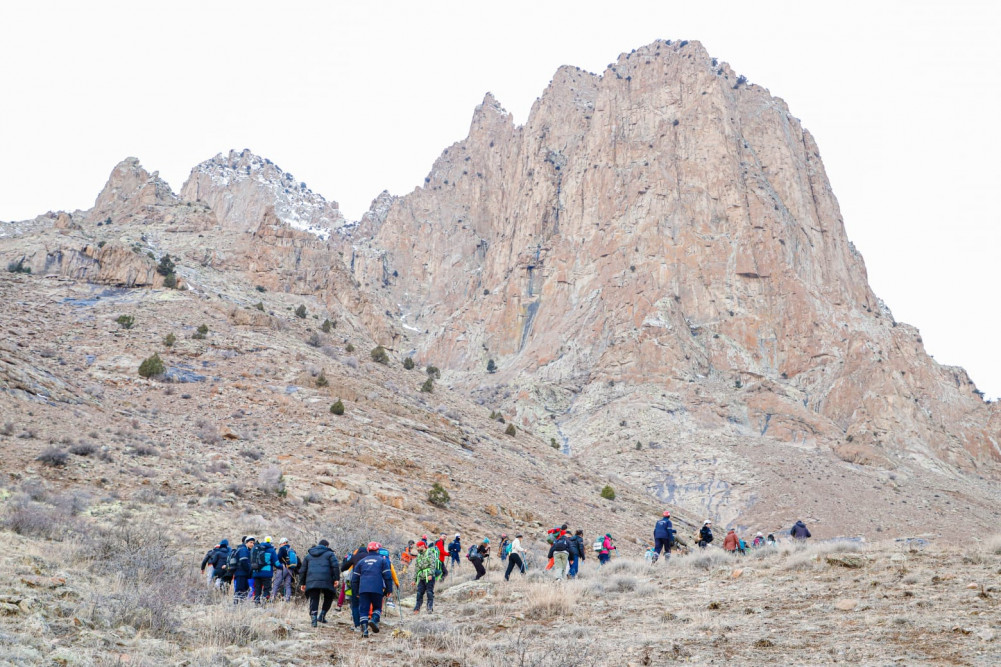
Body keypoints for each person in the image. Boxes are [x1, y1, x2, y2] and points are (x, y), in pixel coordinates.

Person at [351, 542, 393, 638]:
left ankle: (365, 631)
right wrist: (389, 589)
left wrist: (356, 591)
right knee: (377, 607)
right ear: (378, 550)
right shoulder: (382, 561)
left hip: (363, 589)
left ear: (368, 550)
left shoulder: (361, 562)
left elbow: (355, 579)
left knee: (363, 610)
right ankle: (374, 620)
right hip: (377, 588)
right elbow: (388, 576)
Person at [298, 539, 339, 627]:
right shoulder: (330, 554)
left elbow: (302, 570)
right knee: (329, 596)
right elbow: (335, 566)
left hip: (312, 580)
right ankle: (322, 615)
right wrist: (336, 579)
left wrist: (302, 583)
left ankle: (314, 619)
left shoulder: (308, 556)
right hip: (327, 580)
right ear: (327, 546)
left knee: (314, 598)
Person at [339, 543, 367, 631]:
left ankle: (357, 625)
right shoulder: (369, 557)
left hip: (355, 583)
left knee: (355, 604)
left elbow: (343, 567)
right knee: (365, 604)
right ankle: (364, 625)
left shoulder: (355, 557)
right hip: (367, 583)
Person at [412, 540, 440, 614]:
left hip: (429, 577)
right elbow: (416, 568)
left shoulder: (430, 553)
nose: (417, 549)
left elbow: (432, 565)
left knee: (429, 592)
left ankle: (429, 608)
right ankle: (417, 608)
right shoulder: (419, 556)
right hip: (421, 577)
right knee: (419, 593)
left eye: (418, 547)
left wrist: (430, 574)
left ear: (422, 546)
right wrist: (414, 580)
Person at [250, 536, 276, 604]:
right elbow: (276, 563)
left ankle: (256, 603)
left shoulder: (257, 548)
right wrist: (282, 567)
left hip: (256, 572)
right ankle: (265, 603)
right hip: (266, 574)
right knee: (267, 589)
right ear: (271, 542)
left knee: (257, 589)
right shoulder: (271, 550)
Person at [272, 538, 296, 602]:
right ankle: (287, 600)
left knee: (276, 583)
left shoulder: (282, 549)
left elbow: (278, 557)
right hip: (290, 569)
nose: (280, 545)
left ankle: (272, 599)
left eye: (280, 544)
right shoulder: (292, 549)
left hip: (283, 568)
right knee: (287, 585)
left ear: (284, 543)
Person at [232, 536, 254, 603]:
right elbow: (244, 561)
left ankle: (240, 605)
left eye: (253, 543)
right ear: (246, 543)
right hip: (241, 573)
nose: (252, 544)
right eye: (250, 542)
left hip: (241, 574)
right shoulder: (243, 550)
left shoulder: (243, 549)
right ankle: (237, 605)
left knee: (244, 590)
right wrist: (249, 570)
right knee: (240, 590)